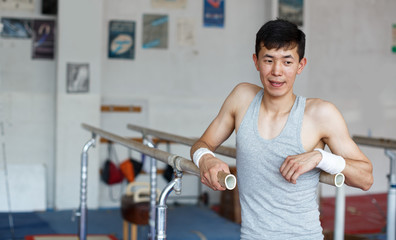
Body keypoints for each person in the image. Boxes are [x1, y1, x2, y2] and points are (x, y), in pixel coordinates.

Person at [190, 19, 373, 240]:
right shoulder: (242, 98)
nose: (277, 71)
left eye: (287, 62)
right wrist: (206, 159)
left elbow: (365, 178)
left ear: (300, 65)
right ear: (256, 61)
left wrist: (320, 157)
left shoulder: (320, 114)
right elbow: (202, 144)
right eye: (269, 60)